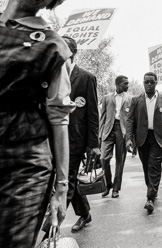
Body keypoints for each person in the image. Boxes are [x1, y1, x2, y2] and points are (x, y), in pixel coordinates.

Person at [0, 0, 75, 247]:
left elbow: (59, 120)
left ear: (53, 1)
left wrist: (61, 190)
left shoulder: (52, 46)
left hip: (25, 167)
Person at [62, 36, 99, 232]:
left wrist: (94, 144)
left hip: (76, 141)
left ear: (73, 53)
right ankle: (85, 214)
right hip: (53, 140)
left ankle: (48, 230)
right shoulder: (49, 77)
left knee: (66, 181)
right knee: (69, 180)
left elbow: (93, 114)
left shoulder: (86, 78)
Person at [126, 72, 162, 213]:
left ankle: (150, 198)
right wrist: (129, 139)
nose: (149, 84)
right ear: (143, 82)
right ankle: (152, 188)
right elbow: (130, 120)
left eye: (151, 82)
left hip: (157, 139)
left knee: (154, 167)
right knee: (146, 167)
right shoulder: (136, 100)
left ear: (156, 82)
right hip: (142, 139)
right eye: (146, 82)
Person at [99, 75, 132, 198]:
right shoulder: (107, 98)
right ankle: (108, 184)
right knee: (103, 158)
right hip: (108, 130)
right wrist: (99, 135)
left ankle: (116, 188)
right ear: (118, 84)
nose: (127, 85)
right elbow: (102, 117)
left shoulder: (130, 99)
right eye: (125, 83)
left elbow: (131, 120)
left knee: (120, 160)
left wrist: (130, 137)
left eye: (128, 83)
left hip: (122, 131)